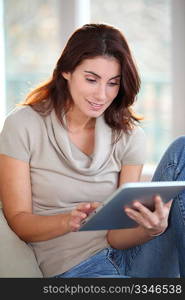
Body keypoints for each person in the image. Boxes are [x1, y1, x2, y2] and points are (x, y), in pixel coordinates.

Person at [0, 23, 185, 278]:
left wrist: (152, 229)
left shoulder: (129, 135)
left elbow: (118, 234)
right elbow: (19, 220)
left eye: (113, 83)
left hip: (134, 255)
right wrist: (68, 221)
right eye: (91, 79)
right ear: (66, 70)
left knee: (182, 151)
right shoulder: (23, 124)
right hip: (78, 268)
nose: (102, 94)